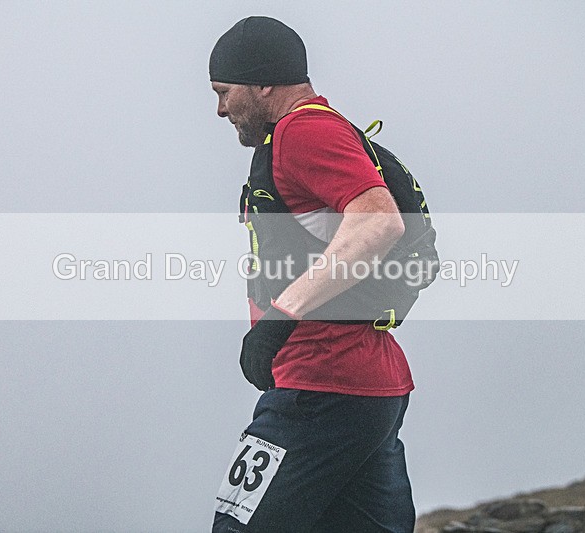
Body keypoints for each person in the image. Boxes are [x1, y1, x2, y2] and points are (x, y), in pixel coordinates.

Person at [210, 16, 417, 533]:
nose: (220, 109)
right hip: (367, 389)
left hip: (320, 386)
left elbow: (379, 219)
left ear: (261, 82)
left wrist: (279, 319)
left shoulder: (304, 129)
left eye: (223, 91)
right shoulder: (311, 131)